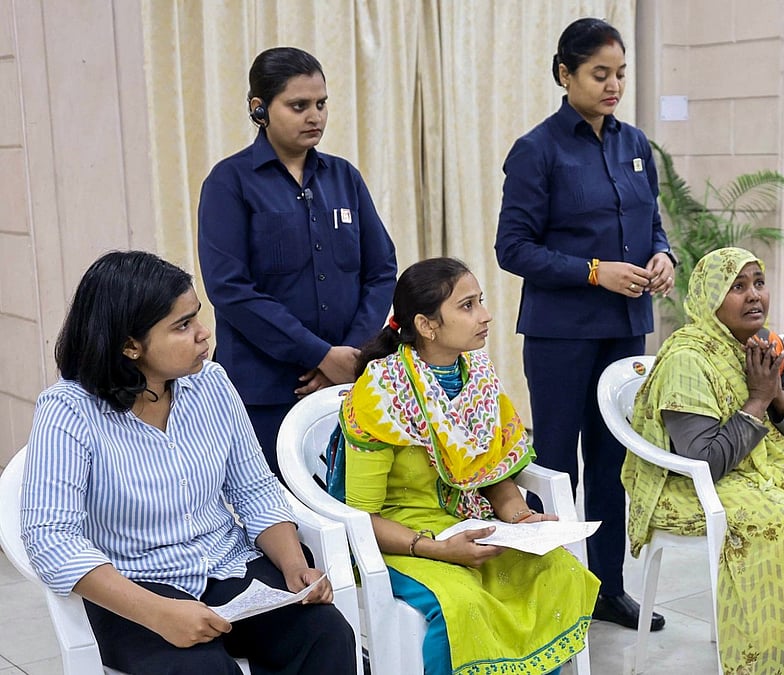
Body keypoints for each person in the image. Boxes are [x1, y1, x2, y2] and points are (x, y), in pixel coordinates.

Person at [20, 251, 356, 674]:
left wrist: (294, 567)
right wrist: (159, 612)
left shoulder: (210, 383)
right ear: (130, 346)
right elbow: (51, 538)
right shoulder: (68, 410)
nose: (203, 334)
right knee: (203, 671)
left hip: (227, 564)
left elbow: (255, 489)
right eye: (182, 325)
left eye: (197, 316)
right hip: (135, 587)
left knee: (325, 634)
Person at [623, 247, 784, 673]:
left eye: (758, 283)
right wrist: (758, 400)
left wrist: (776, 392)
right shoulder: (687, 360)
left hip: (762, 471)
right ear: (710, 298)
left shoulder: (768, 347)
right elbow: (705, 462)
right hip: (690, 487)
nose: (754, 296)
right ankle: (782, 661)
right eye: (737, 287)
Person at [335, 258, 600, 675]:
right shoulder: (382, 391)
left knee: (559, 572)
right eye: (468, 305)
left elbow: (494, 474)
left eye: (481, 301)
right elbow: (362, 515)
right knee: (462, 604)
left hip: (468, 523)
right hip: (402, 537)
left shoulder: (478, 375)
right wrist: (438, 549)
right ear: (426, 325)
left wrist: (520, 517)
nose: (485, 315)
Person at [495, 17, 674, 630]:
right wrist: (596, 271)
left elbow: (653, 223)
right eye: (600, 74)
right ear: (565, 74)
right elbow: (512, 248)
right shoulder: (537, 150)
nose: (613, 85)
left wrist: (663, 256)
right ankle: (553, 588)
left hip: (625, 326)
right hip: (560, 331)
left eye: (620, 73)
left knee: (610, 461)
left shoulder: (634, 145)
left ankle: (606, 590)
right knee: (557, 460)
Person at [198, 46, 397, 477]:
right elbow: (229, 289)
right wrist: (320, 354)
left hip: (347, 385)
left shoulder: (345, 177)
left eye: (321, 104)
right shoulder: (229, 182)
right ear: (259, 109)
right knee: (280, 524)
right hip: (264, 393)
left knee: (352, 511)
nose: (316, 117)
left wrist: (350, 356)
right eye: (299, 105)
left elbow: (381, 271)